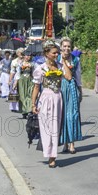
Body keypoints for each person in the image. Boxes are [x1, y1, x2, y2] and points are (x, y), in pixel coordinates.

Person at [31, 40, 63, 168]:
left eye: (57, 53)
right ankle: (48, 151)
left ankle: (53, 156)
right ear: (46, 53)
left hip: (58, 98)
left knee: (55, 127)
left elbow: (68, 77)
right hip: (45, 98)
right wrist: (33, 104)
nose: (56, 55)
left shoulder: (60, 66)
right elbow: (36, 87)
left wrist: (64, 62)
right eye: (54, 53)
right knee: (46, 127)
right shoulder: (40, 68)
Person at [59, 37, 82, 154]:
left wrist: (80, 91)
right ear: (61, 47)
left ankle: (72, 143)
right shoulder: (57, 59)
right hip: (61, 87)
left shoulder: (76, 59)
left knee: (72, 114)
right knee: (62, 115)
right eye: (65, 46)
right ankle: (65, 143)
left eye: (69, 46)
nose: (67, 48)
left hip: (72, 86)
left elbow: (78, 77)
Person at [15, 51, 34, 118]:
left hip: (30, 80)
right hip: (22, 80)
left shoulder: (33, 64)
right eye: (26, 55)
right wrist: (15, 84)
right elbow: (17, 74)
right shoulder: (20, 64)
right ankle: (24, 111)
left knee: (29, 95)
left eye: (29, 56)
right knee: (22, 96)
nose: (28, 57)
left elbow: (34, 73)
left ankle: (29, 110)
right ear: (24, 56)